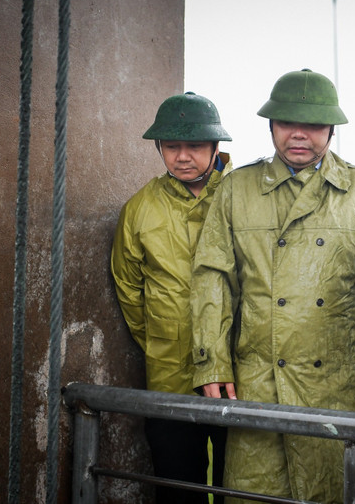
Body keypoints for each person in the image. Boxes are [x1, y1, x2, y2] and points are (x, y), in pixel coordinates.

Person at [191, 68, 355, 504]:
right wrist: (211, 361)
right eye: (287, 123)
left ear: (332, 130)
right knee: (254, 495)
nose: (299, 135)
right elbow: (212, 276)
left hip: (334, 384)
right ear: (270, 125)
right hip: (256, 380)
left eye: (314, 125)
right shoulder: (237, 189)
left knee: (332, 490)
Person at [111, 92, 231, 503]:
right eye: (172, 146)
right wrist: (163, 340)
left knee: (241, 485)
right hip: (168, 374)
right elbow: (129, 288)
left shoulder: (241, 197)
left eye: (195, 146)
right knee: (178, 486)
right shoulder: (141, 208)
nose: (182, 157)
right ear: (159, 148)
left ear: (216, 148)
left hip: (237, 372)